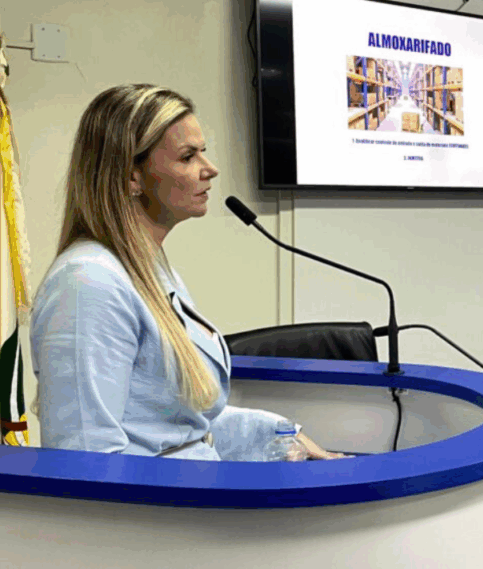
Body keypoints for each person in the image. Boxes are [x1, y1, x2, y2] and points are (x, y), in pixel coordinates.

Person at [30, 84, 341, 460]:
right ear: (132, 177)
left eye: (203, 153)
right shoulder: (87, 284)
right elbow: (85, 459)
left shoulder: (150, 268)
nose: (209, 170)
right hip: (157, 516)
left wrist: (282, 437)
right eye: (187, 157)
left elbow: (183, 427)